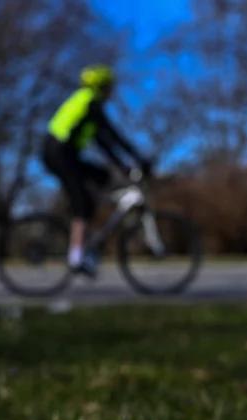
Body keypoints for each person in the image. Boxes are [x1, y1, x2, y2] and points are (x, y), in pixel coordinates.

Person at [43, 65, 151, 276]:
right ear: (102, 87)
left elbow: (104, 141)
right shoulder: (90, 103)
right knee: (82, 203)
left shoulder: (87, 102)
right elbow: (110, 136)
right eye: (109, 87)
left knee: (102, 178)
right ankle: (76, 258)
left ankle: (85, 232)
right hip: (59, 154)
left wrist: (124, 164)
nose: (111, 92)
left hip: (65, 154)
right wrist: (134, 160)